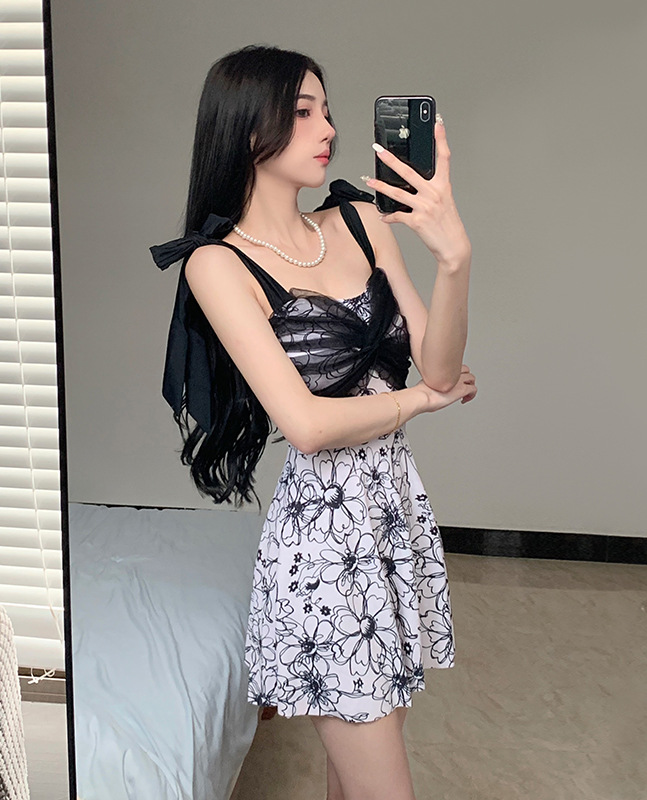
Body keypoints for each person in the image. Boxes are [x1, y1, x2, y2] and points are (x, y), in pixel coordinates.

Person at [150, 44, 476, 800]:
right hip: (323, 548)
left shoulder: (360, 220)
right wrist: (420, 403)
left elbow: (438, 364)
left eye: (326, 110)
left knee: (353, 776)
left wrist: (454, 259)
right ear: (247, 128)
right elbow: (305, 425)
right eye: (302, 112)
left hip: (395, 516)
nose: (327, 128)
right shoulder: (217, 264)